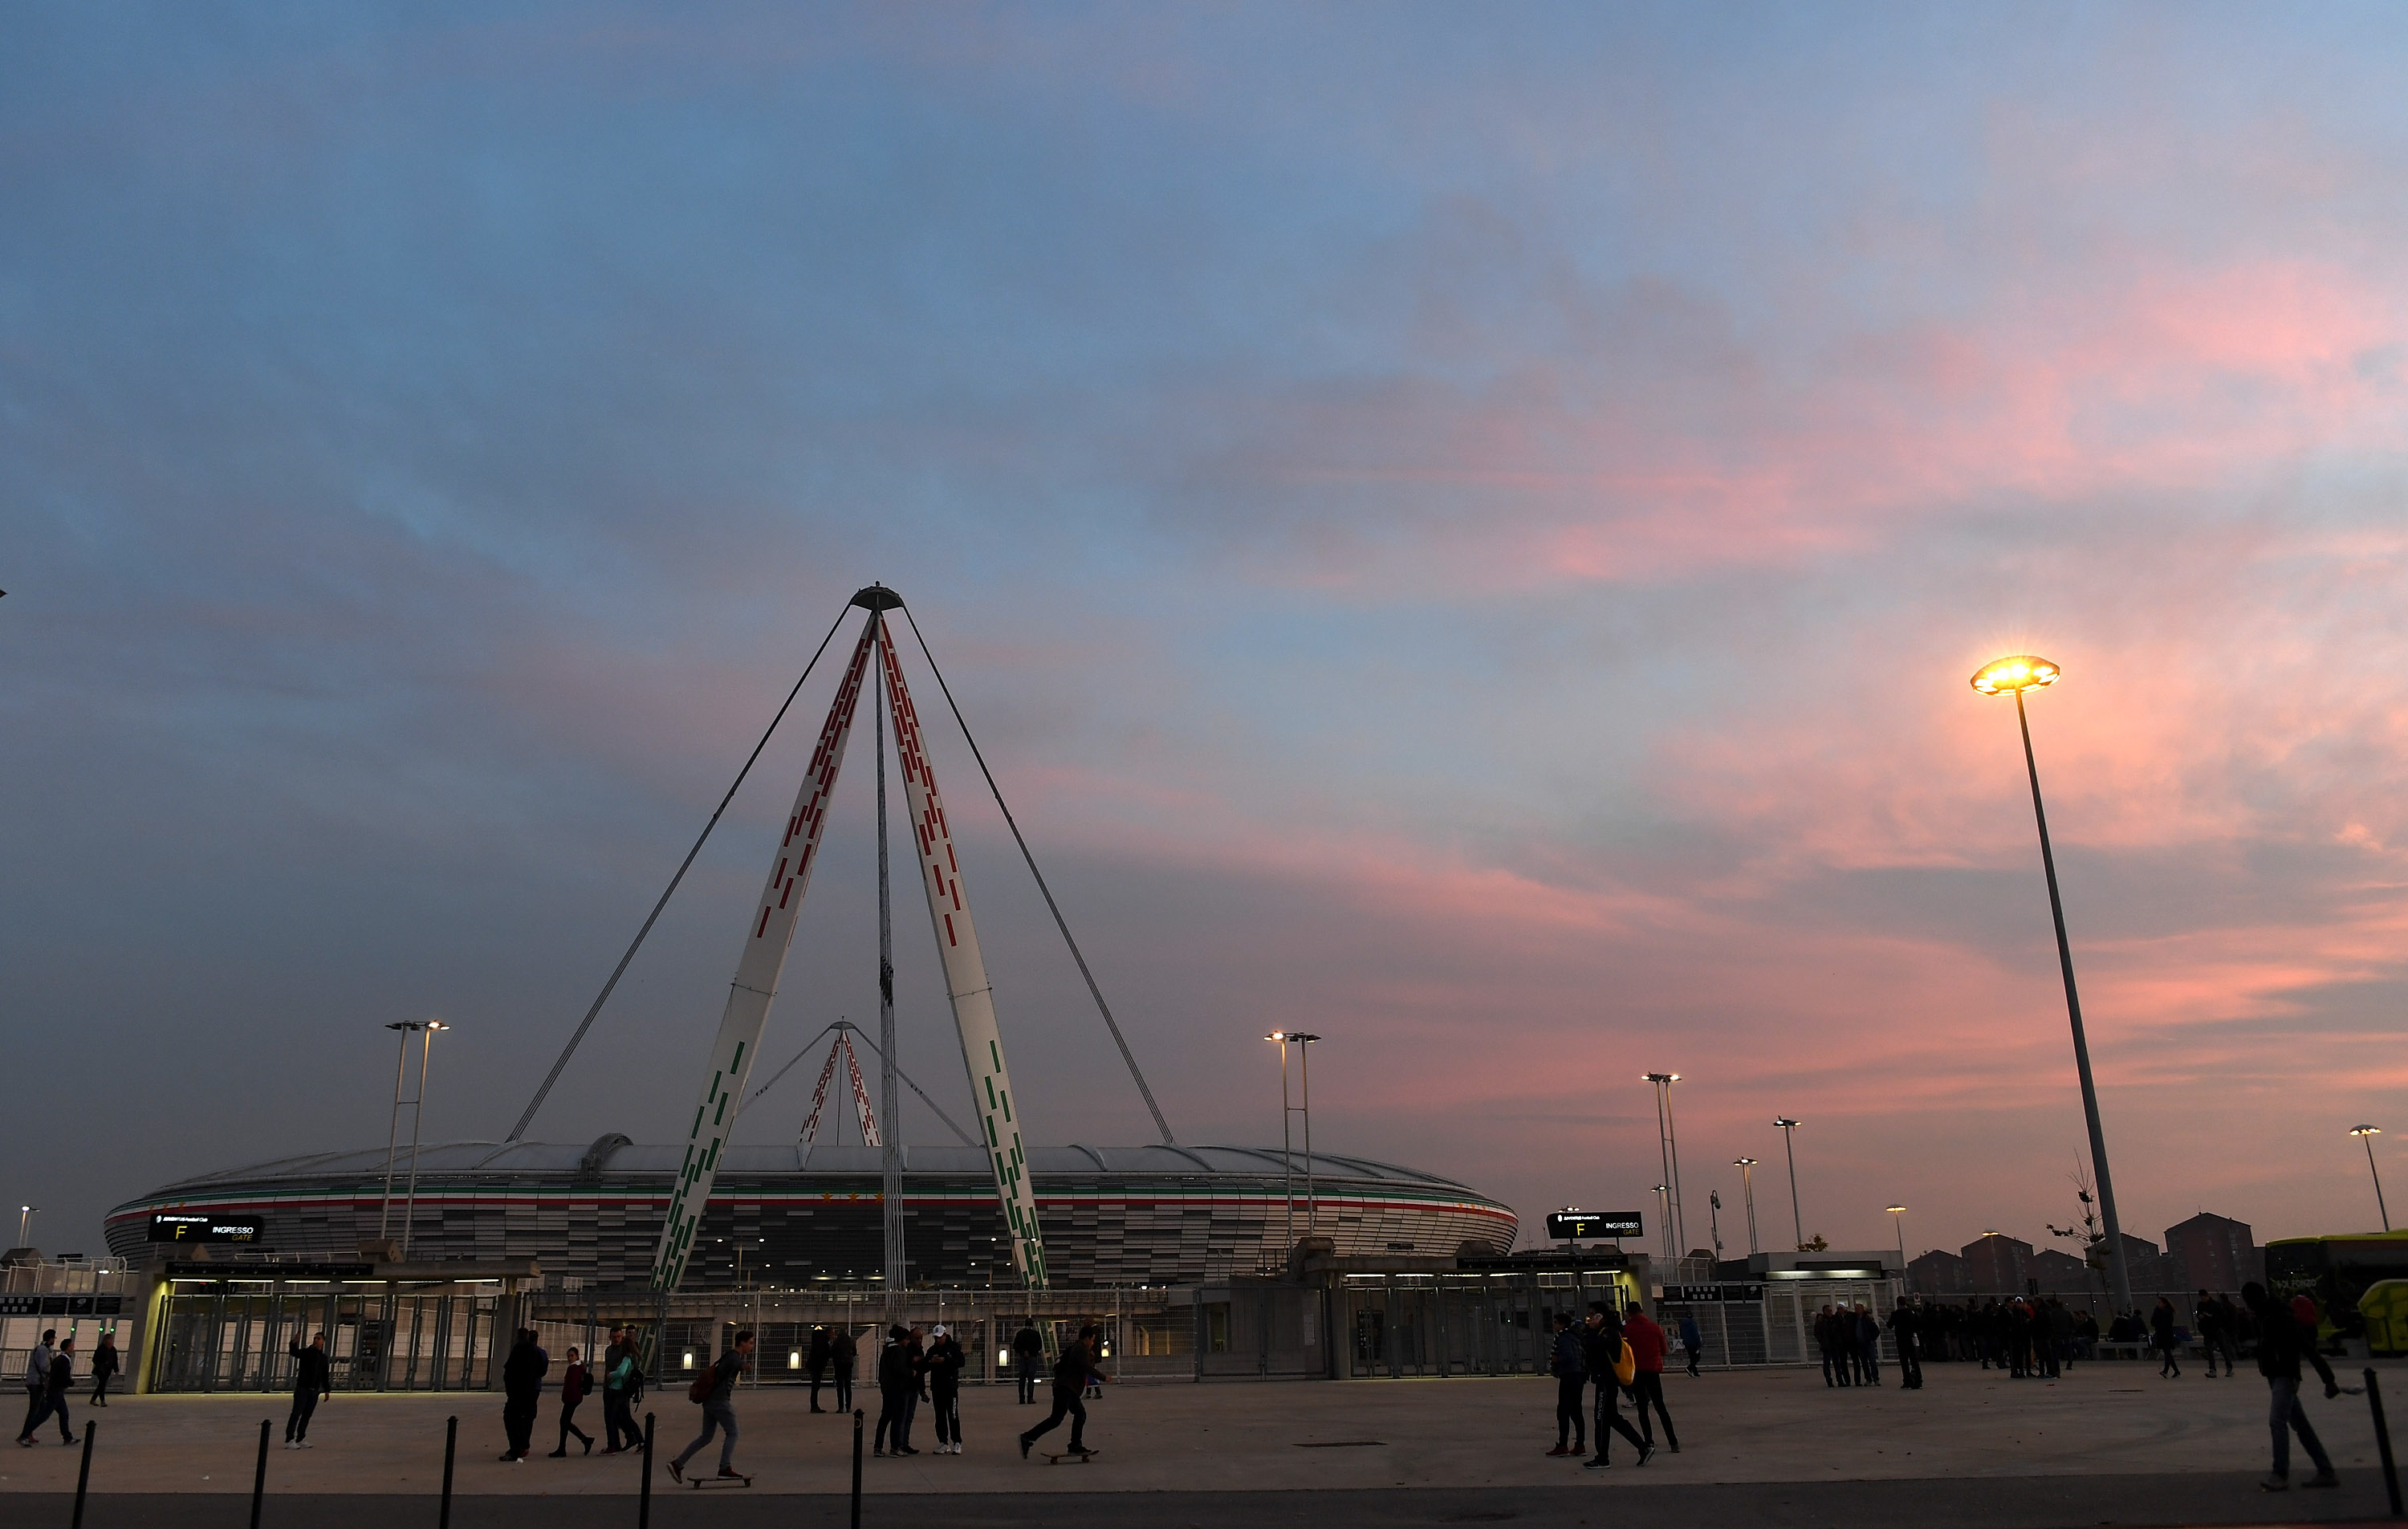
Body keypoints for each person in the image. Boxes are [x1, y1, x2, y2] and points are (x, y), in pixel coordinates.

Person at [2242, 1282, 2339, 1492]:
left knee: (2277, 1422)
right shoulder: (2266, 1316)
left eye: (2250, 1301)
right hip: (2277, 1375)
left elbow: (2306, 1346)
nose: (2249, 1306)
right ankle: (2325, 1470)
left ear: (2259, 1297)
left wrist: (2328, 1379)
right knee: (2301, 1426)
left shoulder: (2281, 1316)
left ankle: (2280, 1474)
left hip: (2285, 1375)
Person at [667, 1328, 751, 1484]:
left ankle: (678, 1464)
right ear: (742, 1343)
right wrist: (744, 1366)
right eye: (750, 1343)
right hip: (720, 1401)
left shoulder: (728, 1355)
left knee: (706, 1436)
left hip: (710, 1401)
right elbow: (736, 1364)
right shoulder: (733, 1357)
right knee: (733, 1433)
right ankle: (725, 1467)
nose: (752, 1347)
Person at [1019, 1324, 1106, 1459]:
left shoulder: (1078, 1348)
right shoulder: (1080, 1349)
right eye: (1092, 1340)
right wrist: (1104, 1377)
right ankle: (1028, 1437)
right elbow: (1087, 1368)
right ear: (1086, 1339)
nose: (1093, 1343)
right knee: (1057, 1419)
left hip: (1066, 1389)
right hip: (1065, 1389)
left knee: (1078, 1414)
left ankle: (1075, 1445)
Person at [1580, 1302, 1649, 1470]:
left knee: (1601, 1418)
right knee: (1612, 1418)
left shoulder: (1608, 1332)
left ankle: (1602, 1457)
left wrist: (1590, 1330)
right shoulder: (1605, 1331)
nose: (1590, 1318)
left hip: (1607, 1381)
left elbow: (1593, 1347)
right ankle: (1643, 1447)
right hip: (1604, 1380)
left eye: (1592, 1315)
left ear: (1600, 1316)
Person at [1623, 1303, 1679, 1452]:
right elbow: (1664, 1350)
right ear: (1642, 1311)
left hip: (1637, 1372)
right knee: (1660, 1407)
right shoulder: (1655, 1328)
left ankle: (1649, 1442)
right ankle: (1673, 1442)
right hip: (1653, 1371)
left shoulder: (1627, 1330)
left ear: (1628, 1313)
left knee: (1642, 1409)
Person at [500, 1328, 548, 1462]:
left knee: (512, 1418)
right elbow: (542, 1370)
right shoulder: (539, 1352)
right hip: (532, 1389)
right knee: (527, 1418)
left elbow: (509, 1371)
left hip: (518, 1391)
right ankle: (523, 1445)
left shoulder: (518, 1349)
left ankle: (516, 1448)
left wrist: (510, 1389)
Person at [1545, 1312, 1586, 1457]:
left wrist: (1557, 1359)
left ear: (1562, 1325)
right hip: (1577, 1376)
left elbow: (1568, 1356)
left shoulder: (1563, 1338)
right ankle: (1580, 1444)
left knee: (1563, 1411)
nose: (1554, 1325)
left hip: (1569, 1376)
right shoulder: (1574, 1337)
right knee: (1576, 1411)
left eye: (1556, 1322)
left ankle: (1563, 1445)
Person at [873, 1324, 917, 1456]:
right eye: (907, 1339)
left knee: (885, 1418)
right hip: (897, 1389)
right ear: (901, 1339)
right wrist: (911, 1373)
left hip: (887, 1389)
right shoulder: (899, 1351)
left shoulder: (887, 1350)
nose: (908, 1342)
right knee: (897, 1419)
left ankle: (878, 1447)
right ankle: (895, 1447)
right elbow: (899, 1369)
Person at [286, 1331, 330, 1449]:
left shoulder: (323, 1358)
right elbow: (294, 1352)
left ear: (323, 1341)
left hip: (314, 1390)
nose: (316, 1340)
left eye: (318, 1338)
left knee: (307, 1415)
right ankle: (289, 1439)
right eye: (315, 1338)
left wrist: (327, 1390)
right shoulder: (307, 1352)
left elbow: (325, 1375)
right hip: (302, 1388)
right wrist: (294, 1343)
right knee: (296, 1413)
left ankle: (301, 1438)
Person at [600, 1328, 641, 1454]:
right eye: (614, 1337)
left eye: (619, 1337)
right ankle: (621, 1442)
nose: (617, 1339)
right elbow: (608, 1367)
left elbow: (626, 1371)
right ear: (610, 1337)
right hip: (610, 1387)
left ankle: (626, 1440)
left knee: (617, 1417)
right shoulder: (608, 1351)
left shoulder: (625, 1353)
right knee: (618, 1417)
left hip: (620, 1388)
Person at [926, 1324, 966, 1454]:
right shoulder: (932, 1350)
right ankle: (943, 1442)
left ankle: (957, 1442)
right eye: (936, 1338)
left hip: (950, 1387)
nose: (938, 1340)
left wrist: (946, 1360)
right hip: (937, 1388)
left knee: (953, 1415)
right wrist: (931, 1362)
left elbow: (961, 1362)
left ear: (945, 1335)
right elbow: (925, 1365)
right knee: (940, 1416)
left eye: (940, 1337)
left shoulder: (954, 1347)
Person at [549, 1346, 593, 1456]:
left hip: (572, 1398)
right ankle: (577, 1442)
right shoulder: (579, 1367)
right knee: (565, 1422)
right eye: (568, 1356)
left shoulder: (573, 1368)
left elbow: (571, 1385)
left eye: (572, 1356)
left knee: (564, 1422)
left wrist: (565, 1397)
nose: (570, 1358)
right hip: (575, 1398)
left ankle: (581, 1441)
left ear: (577, 1356)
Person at [17, 1329, 57, 1447]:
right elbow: (44, 1366)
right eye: (54, 1338)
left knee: (40, 1409)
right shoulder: (43, 1350)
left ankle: (28, 1433)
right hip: (36, 1382)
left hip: (33, 1381)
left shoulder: (38, 1349)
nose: (54, 1340)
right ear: (50, 1339)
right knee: (35, 1410)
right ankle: (25, 1435)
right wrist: (53, 1369)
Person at [1888, 1303, 1922, 1390]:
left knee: (1904, 1362)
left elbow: (1889, 1325)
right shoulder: (1911, 1313)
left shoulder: (1896, 1314)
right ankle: (1918, 1380)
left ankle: (1907, 1381)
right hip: (1910, 1338)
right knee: (1914, 1360)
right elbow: (1918, 1324)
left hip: (1901, 1339)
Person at [1011, 1320, 1045, 1405]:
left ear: (1025, 1324)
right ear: (1032, 1325)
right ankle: (1030, 1398)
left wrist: (1023, 1352)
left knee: (1022, 1379)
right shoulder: (1036, 1334)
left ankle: (1021, 1398)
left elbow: (1015, 1345)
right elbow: (1039, 1346)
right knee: (1031, 1379)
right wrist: (1031, 1352)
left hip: (1022, 1357)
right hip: (1032, 1357)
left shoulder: (1020, 1334)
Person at [2196, 1293, 2227, 1379]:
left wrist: (2210, 1316)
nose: (2203, 1300)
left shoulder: (2216, 1305)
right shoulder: (2200, 1305)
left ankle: (2229, 1367)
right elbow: (2198, 1314)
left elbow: (2221, 1316)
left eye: (2204, 1298)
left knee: (2223, 1349)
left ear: (2207, 1296)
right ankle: (2212, 1369)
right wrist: (2200, 1316)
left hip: (2216, 1329)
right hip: (2207, 1330)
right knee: (2209, 1350)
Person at [2150, 1298, 2182, 1379]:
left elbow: (2166, 1324)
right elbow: (2153, 1322)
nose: (2158, 1304)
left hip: (2167, 1335)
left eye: (2160, 1303)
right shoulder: (2157, 1312)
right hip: (2161, 1334)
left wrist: (2159, 1322)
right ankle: (2176, 1371)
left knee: (2167, 1352)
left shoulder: (2168, 1313)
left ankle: (2166, 1371)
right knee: (2167, 1353)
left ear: (2164, 1304)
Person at [830, 1325, 857, 1414]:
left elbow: (832, 1352)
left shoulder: (836, 1341)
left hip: (839, 1365)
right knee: (848, 1386)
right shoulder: (851, 1340)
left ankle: (840, 1407)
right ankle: (848, 1407)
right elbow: (855, 1352)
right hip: (848, 1364)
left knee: (840, 1386)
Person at [88, 1333, 120, 1407]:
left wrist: (116, 1369)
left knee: (101, 1385)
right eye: (110, 1339)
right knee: (102, 1384)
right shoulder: (101, 1349)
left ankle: (93, 1399)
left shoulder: (113, 1349)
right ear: (106, 1340)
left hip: (108, 1369)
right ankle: (102, 1401)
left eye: (112, 1339)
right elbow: (95, 1359)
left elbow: (115, 1360)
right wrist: (102, 1363)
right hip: (101, 1370)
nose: (111, 1341)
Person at [806, 1325, 832, 1413]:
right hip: (817, 1366)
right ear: (829, 1333)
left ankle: (814, 1405)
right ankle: (814, 1406)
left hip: (815, 1365)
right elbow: (823, 1353)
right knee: (816, 1386)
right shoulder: (823, 1342)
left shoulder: (819, 1341)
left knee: (815, 1386)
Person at [1678, 1314, 1703, 1378]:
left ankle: (1695, 1372)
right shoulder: (1693, 1324)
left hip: (1687, 1343)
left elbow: (1681, 1334)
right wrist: (1699, 1343)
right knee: (1697, 1357)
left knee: (1692, 1357)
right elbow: (1696, 1335)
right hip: (1694, 1344)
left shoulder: (1682, 1325)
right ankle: (1689, 1368)